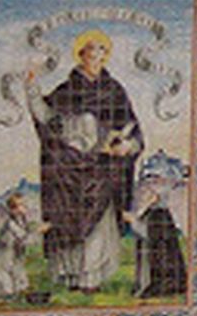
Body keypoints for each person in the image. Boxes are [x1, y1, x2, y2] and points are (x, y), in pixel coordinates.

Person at [26, 30, 143, 293]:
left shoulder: (114, 90)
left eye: (101, 51)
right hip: (68, 169)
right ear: (81, 54)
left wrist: (128, 144)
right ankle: (71, 276)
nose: (96, 56)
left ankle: (91, 279)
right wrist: (32, 87)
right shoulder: (67, 90)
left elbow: (132, 127)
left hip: (101, 170)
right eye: (91, 51)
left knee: (98, 226)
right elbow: (46, 117)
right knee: (68, 221)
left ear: (106, 56)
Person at [0, 193, 38, 300]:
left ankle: (18, 289)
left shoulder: (22, 220)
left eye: (24, 205)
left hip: (14, 257)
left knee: (19, 278)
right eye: (21, 205)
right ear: (13, 210)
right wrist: (39, 231)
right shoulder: (10, 223)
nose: (25, 207)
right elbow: (24, 240)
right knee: (5, 288)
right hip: (3, 260)